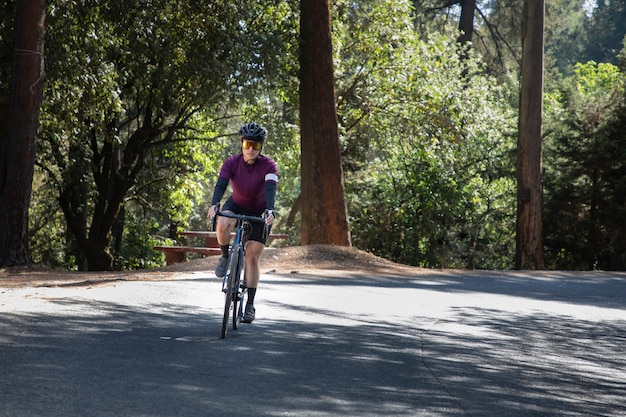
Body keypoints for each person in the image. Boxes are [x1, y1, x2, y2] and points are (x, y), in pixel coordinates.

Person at [207, 122, 278, 323]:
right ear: (241, 144)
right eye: (247, 144)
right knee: (222, 222)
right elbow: (221, 185)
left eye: (255, 146)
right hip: (237, 204)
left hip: (260, 211)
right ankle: (223, 256)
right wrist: (214, 204)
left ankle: (249, 305)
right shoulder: (231, 162)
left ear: (261, 147)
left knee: (252, 257)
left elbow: (270, 189)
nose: (250, 149)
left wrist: (270, 210)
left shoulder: (269, 165)